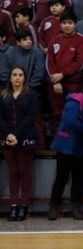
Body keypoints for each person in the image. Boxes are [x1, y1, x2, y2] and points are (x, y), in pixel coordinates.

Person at [0, 67, 39, 220]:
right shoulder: (3, 95)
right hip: (6, 137)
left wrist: (15, 135)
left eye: (20, 75)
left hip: (25, 137)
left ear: (24, 78)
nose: (17, 78)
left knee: (24, 172)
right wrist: (8, 134)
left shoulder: (31, 95)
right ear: (10, 78)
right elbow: (1, 118)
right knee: (12, 172)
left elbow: (30, 117)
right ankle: (13, 206)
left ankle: (24, 205)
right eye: (14, 75)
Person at [48, 86, 83, 220]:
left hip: (81, 146)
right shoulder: (74, 101)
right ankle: (54, 206)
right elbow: (71, 122)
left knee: (78, 178)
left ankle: (75, 207)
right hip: (66, 145)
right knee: (61, 177)